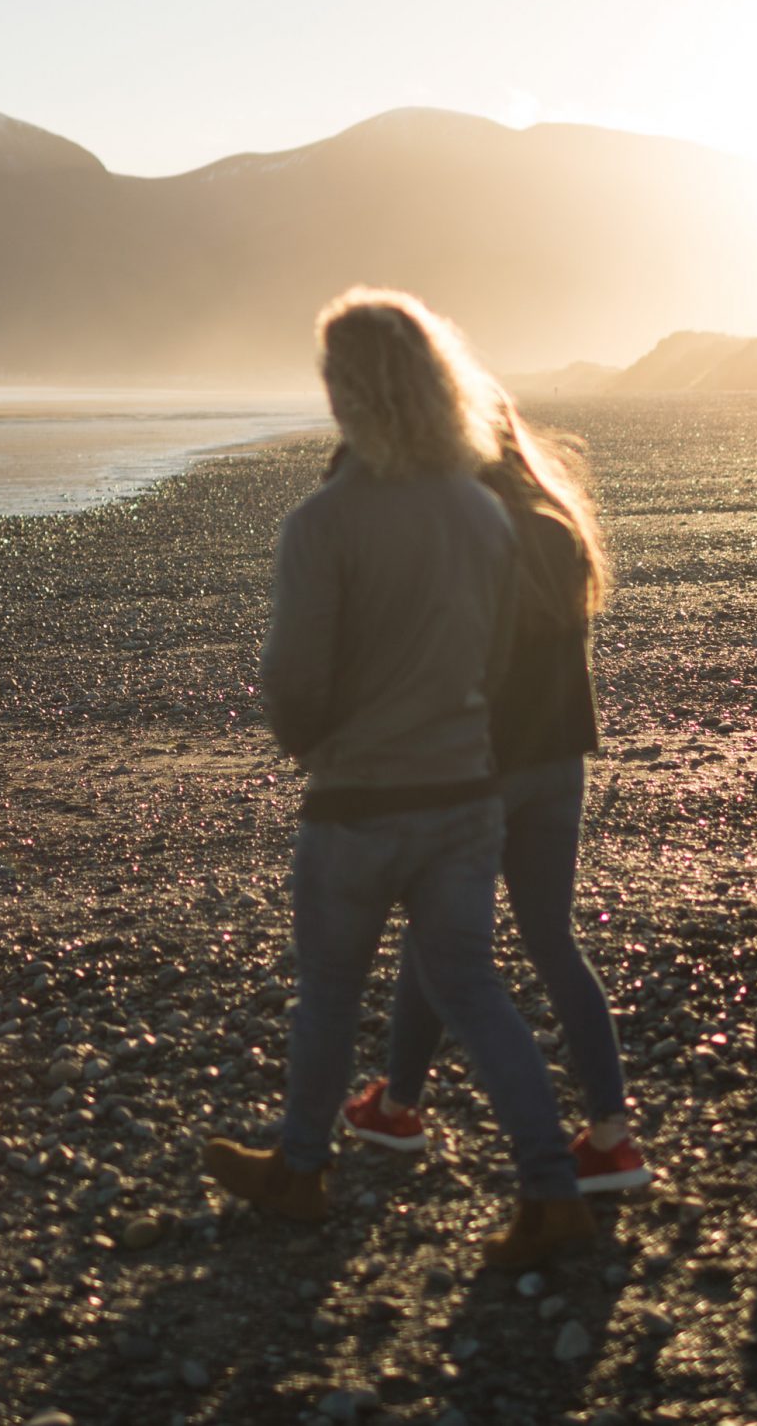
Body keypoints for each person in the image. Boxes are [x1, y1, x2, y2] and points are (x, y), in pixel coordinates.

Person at [202, 286, 592, 1272]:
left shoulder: (323, 523)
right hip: (462, 795)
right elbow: (497, 665)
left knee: (329, 994)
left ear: (349, 395)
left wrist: (311, 743)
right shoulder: (483, 513)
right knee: (474, 990)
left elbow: (295, 678)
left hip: (361, 802)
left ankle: (300, 1172)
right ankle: (550, 1190)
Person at [337, 397, 651, 1193]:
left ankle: (401, 1108)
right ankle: (611, 1136)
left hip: (478, 770)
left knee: (441, 941)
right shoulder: (558, 524)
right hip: (556, 766)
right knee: (552, 944)